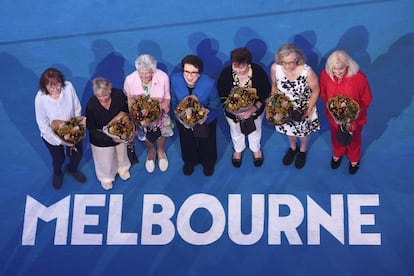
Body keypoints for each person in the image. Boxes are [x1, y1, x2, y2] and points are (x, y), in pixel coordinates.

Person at [320, 50, 372, 174]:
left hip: (354, 119)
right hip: (335, 118)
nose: (337, 73)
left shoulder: (359, 78)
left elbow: (366, 98)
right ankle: (337, 154)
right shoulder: (325, 75)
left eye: (341, 70)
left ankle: (354, 159)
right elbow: (324, 93)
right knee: (335, 137)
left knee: (354, 139)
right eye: (334, 70)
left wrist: (353, 115)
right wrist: (333, 111)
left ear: (347, 66)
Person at [217, 47, 270, 168]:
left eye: (242, 67)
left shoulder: (258, 72)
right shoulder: (226, 73)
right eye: (235, 66)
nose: (238, 70)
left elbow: (265, 91)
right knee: (236, 132)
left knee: (255, 131)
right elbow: (222, 94)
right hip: (233, 114)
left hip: (254, 112)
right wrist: (235, 112)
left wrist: (253, 109)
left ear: (248, 64)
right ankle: (238, 149)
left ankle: (255, 149)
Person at [34, 67, 87, 189]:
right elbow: (42, 125)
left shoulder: (68, 87)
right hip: (52, 134)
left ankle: (72, 169)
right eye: (51, 87)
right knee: (58, 159)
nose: (55, 89)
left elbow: (77, 106)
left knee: (77, 155)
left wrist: (76, 128)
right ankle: (57, 173)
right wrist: (61, 141)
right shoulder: (40, 99)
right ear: (45, 86)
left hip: (72, 129)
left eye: (57, 84)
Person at [270, 43, 320, 169]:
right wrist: (276, 103)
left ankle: (302, 149)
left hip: (302, 108)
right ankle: (292, 148)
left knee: (302, 133)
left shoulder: (307, 72)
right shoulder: (275, 68)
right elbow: (274, 86)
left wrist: (308, 111)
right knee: (289, 130)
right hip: (284, 107)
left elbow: (316, 91)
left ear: (297, 59)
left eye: (290, 62)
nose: (286, 66)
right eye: (284, 62)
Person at [170, 55, 220, 176]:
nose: (189, 76)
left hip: (205, 121)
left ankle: (208, 162)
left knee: (207, 142)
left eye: (194, 72)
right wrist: (180, 118)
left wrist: (205, 117)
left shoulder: (209, 83)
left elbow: (215, 102)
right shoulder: (175, 80)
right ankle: (189, 161)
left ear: (200, 73)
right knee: (186, 141)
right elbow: (173, 101)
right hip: (183, 121)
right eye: (186, 72)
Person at [124, 54, 173, 173]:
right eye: (141, 73)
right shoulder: (130, 79)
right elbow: (129, 99)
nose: (144, 76)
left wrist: (158, 114)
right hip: (140, 116)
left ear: (153, 70)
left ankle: (161, 151)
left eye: (147, 73)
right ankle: (151, 151)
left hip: (160, 112)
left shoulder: (163, 77)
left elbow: (166, 97)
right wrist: (136, 116)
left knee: (161, 133)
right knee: (144, 134)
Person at [85, 77, 131, 190]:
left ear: (110, 90)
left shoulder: (118, 95)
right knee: (104, 160)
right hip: (101, 140)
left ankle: (123, 168)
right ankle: (106, 177)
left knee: (122, 154)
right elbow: (91, 128)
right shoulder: (91, 106)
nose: (103, 99)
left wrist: (126, 130)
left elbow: (126, 111)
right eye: (99, 97)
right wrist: (110, 138)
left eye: (105, 95)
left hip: (120, 134)